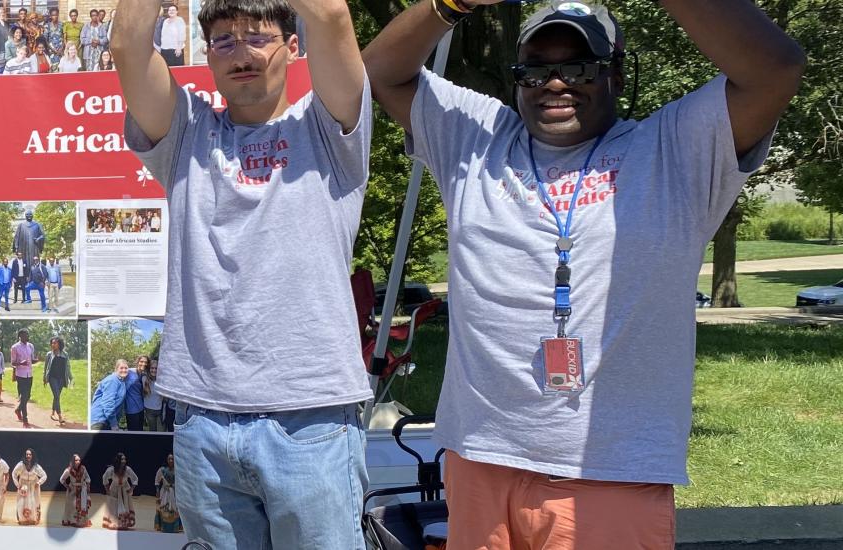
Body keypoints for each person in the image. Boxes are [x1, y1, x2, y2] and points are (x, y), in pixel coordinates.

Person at [362, 0, 803, 547]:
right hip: (479, 456)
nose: (555, 82)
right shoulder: (476, 141)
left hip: (610, 470)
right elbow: (377, 72)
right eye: (535, 68)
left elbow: (775, 69)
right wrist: (448, 5)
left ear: (617, 72)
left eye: (579, 66)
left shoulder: (674, 148)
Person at [114, 0, 373, 544]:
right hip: (202, 421)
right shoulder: (186, 131)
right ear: (208, 57)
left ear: (292, 47)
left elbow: (331, 16)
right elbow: (126, 47)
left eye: (258, 37)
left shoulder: (329, 127)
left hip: (313, 418)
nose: (242, 53)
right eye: (225, 42)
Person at [90, 359, 131, 430]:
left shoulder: (121, 381)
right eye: (121, 368)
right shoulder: (113, 380)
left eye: (126, 368)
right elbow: (108, 403)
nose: (124, 370)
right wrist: (114, 424)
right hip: (100, 421)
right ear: (116, 369)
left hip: (107, 421)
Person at [101, 452, 139, 530]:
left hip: (125, 490)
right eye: (122, 459)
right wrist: (107, 489)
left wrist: (131, 489)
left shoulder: (127, 469)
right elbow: (105, 478)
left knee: (125, 506)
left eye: (125, 459)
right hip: (114, 489)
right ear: (118, 460)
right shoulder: (111, 469)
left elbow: (135, 478)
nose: (124, 461)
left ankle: (124, 523)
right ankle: (114, 523)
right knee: (115, 506)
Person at [11, 449, 47, 525]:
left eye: (30, 454)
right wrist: (18, 484)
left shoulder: (36, 466)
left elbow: (44, 475)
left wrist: (38, 482)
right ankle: (22, 519)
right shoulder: (21, 464)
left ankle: (33, 518)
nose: (28, 456)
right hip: (23, 485)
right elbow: (14, 473)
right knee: (22, 502)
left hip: (33, 486)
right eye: (27, 454)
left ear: (32, 456)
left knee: (33, 502)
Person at [10, 330, 37, 427]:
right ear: (20, 336)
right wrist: (21, 363)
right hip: (20, 375)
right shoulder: (15, 347)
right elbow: (12, 363)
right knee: (23, 397)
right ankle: (25, 420)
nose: (27, 336)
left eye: (28, 335)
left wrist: (36, 360)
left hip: (29, 374)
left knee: (28, 396)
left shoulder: (31, 346)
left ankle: (18, 410)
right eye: (25, 335)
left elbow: (32, 360)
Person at [58, 454, 92, 527]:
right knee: (72, 505)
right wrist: (67, 486)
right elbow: (62, 479)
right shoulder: (68, 470)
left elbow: (87, 478)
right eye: (76, 460)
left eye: (79, 460)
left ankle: (82, 521)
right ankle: (72, 520)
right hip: (73, 490)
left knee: (82, 505)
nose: (78, 461)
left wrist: (88, 486)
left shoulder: (83, 468)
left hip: (82, 489)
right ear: (73, 461)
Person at [45, 336, 73, 424]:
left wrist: (71, 377)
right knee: (57, 395)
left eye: (55, 343)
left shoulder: (65, 354)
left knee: (56, 396)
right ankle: (60, 416)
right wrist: (44, 378)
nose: (53, 345)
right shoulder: (49, 354)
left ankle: (52, 412)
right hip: (52, 377)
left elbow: (68, 367)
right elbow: (46, 367)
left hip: (61, 379)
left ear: (59, 344)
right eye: (52, 343)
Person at [155, 454, 182, 533]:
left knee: (174, 509)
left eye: (172, 459)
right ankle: (164, 527)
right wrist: (157, 491)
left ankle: (174, 528)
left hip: (174, 493)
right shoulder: (162, 470)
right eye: (169, 459)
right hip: (165, 492)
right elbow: (157, 480)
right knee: (164, 508)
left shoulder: (177, 471)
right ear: (167, 460)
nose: (171, 460)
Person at [155, 4, 187, 68]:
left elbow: (182, 34)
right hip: (165, 49)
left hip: (175, 49)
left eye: (173, 10)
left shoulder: (179, 20)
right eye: (170, 10)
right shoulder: (165, 21)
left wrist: (179, 47)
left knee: (177, 69)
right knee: (167, 68)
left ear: (176, 12)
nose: (171, 11)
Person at [123, 356, 147, 431]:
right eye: (141, 361)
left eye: (146, 362)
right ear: (138, 362)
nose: (144, 364)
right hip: (131, 410)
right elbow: (117, 375)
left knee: (140, 431)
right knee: (133, 433)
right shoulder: (129, 372)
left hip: (141, 408)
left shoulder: (143, 375)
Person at [142, 357, 165, 431]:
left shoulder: (161, 380)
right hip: (149, 410)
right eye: (152, 368)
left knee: (162, 429)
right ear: (149, 369)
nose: (154, 370)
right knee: (153, 430)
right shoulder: (144, 379)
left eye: (156, 368)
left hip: (160, 409)